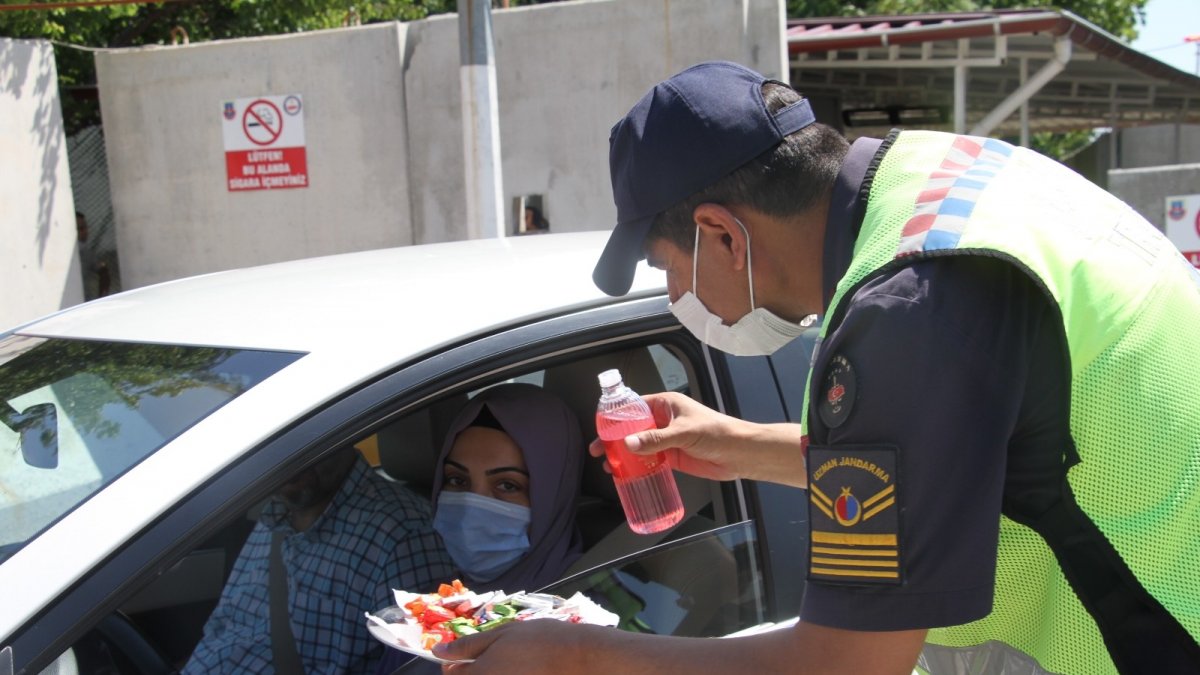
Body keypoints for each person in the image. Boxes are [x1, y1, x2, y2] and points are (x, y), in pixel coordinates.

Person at [435, 61, 1200, 674]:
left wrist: (573, 656)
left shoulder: (906, 308)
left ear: (722, 236)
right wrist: (736, 442)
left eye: (668, 268)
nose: (675, 297)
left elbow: (843, 661)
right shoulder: (947, 180)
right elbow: (939, 456)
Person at [184, 446, 455, 675]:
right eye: (277, 444)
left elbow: (418, 663)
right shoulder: (275, 515)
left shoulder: (404, 533)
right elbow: (222, 625)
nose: (287, 457)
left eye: (302, 442)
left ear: (342, 434)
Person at [376, 383, 585, 674]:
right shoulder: (429, 613)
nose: (470, 508)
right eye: (457, 481)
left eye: (507, 485)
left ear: (552, 498)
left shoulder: (584, 624)